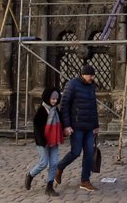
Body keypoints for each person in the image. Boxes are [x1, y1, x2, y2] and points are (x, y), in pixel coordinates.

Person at [55, 64, 99, 192]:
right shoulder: (72, 85)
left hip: (89, 126)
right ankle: (60, 167)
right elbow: (64, 106)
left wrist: (96, 126)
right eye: (90, 75)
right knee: (75, 152)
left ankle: (85, 180)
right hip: (77, 125)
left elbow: (93, 106)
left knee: (89, 153)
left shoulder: (91, 86)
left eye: (93, 75)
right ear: (83, 74)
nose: (92, 77)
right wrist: (67, 125)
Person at [26, 86, 64, 197]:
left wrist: (65, 130)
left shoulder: (55, 109)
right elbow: (37, 126)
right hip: (43, 141)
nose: (54, 101)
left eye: (56, 99)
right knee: (43, 163)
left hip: (54, 140)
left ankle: (49, 186)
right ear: (47, 98)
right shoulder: (42, 110)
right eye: (52, 99)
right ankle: (30, 175)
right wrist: (42, 140)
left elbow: (60, 122)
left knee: (54, 163)